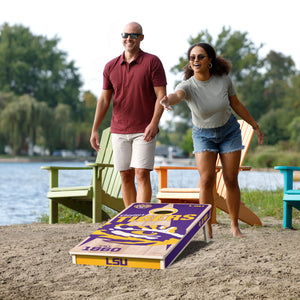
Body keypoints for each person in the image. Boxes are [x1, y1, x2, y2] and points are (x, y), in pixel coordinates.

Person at [160, 43, 264, 238]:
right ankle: (206, 228)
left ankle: (234, 226)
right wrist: (167, 100)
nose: (196, 60)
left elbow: (236, 104)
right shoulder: (187, 85)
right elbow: (177, 96)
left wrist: (254, 125)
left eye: (200, 57)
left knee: (230, 179)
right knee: (206, 179)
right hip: (203, 135)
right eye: (192, 58)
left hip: (229, 132)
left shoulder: (223, 80)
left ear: (209, 60)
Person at [90, 22, 167, 208]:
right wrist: (94, 130)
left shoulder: (152, 62)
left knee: (141, 173)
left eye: (134, 35)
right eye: (125, 34)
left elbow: (161, 96)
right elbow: (104, 100)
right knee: (125, 175)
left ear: (141, 37)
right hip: (119, 130)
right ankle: (130, 218)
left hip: (144, 129)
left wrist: (154, 123)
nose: (129, 38)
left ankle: (141, 219)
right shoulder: (111, 66)